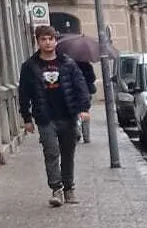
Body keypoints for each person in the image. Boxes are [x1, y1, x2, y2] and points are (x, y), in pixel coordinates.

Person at [18, 25, 92, 206]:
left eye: (50, 39)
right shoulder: (29, 66)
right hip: (45, 117)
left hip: (67, 115)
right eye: (43, 39)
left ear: (55, 40)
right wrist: (27, 118)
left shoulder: (67, 63)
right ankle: (56, 189)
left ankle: (69, 189)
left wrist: (84, 108)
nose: (47, 42)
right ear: (38, 42)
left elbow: (80, 86)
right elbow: (24, 93)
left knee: (68, 153)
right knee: (51, 152)